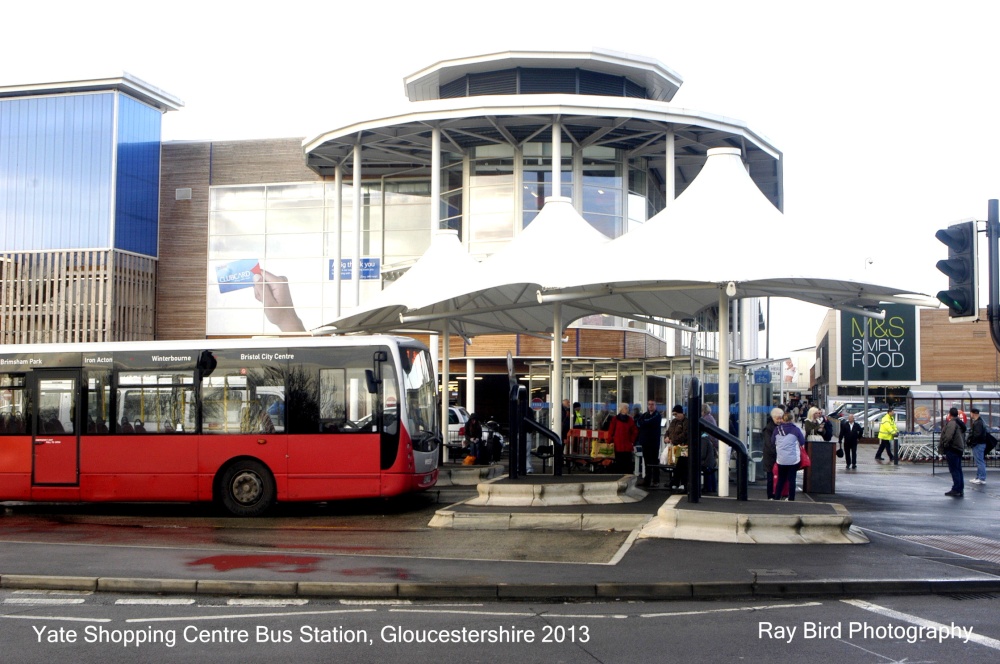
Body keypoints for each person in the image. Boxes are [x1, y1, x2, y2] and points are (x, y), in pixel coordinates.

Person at [772, 412, 805, 501]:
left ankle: (777, 497)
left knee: (781, 479)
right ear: (792, 419)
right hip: (793, 459)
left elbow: (772, 442)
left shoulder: (777, 430)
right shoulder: (795, 430)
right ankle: (791, 498)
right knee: (792, 479)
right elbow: (802, 441)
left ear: (782, 419)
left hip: (781, 459)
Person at [940, 407, 966, 497]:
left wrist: (945, 445)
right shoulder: (959, 423)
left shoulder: (952, 423)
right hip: (958, 448)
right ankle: (960, 488)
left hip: (952, 448)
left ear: (950, 414)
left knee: (954, 470)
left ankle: (956, 489)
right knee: (958, 469)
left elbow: (948, 436)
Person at [635, 400, 661, 487]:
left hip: (654, 442)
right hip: (645, 442)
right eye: (649, 404)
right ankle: (647, 480)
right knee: (647, 462)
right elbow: (638, 423)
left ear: (655, 406)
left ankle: (656, 480)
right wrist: (644, 423)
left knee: (654, 461)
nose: (650, 406)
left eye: (652, 404)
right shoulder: (644, 415)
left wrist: (644, 423)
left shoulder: (657, 415)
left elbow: (649, 422)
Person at [607, 403, 639, 474]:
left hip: (627, 445)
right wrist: (610, 441)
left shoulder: (630, 419)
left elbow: (635, 431)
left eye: (627, 408)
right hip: (618, 445)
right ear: (621, 409)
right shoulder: (615, 419)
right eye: (626, 408)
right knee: (619, 462)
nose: (627, 409)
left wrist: (632, 440)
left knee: (627, 463)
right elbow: (611, 431)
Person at [665, 405, 690, 490]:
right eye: (674, 415)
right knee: (676, 465)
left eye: (676, 414)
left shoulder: (686, 422)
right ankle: (675, 482)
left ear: (681, 413)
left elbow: (685, 434)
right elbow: (668, 431)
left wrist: (673, 439)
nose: (675, 416)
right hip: (674, 446)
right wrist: (666, 437)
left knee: (682, 465)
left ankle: (683, 483)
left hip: (683, 446)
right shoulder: (673, 422)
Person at [761, 407, 783, 500]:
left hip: (778, 455)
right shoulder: (768, 429)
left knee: (779, 476)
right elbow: (769, 444)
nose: (780, 420)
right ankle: (771, 495)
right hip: (771, 456)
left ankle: (777, 494)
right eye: (778, 418)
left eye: (781, 418)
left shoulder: (780, 427)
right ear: (773, 418)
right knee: (771, 477)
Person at [699, 404, 718, 494]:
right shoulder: (711, 418)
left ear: (703, 411)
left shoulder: (705, 419)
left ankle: (708, 487)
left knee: (706, 465)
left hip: (709, 443)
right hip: (713, 443)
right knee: (710, 466)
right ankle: (712, 487)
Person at [968, 407, 987, 485]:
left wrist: (972, 442)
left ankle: (981, 478)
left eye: (971, 413)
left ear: (973, 413)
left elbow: (977, 434)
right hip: (980, 443)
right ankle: (979, 477)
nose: (970, 415)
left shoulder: (978, 423)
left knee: (979, 461)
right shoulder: (981, 421)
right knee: (979, 461)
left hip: (978, 444)